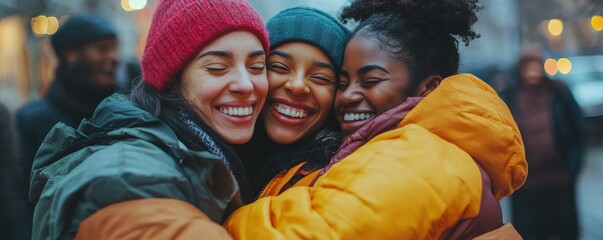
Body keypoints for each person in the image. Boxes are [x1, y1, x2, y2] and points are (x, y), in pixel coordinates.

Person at [225, 0, 527, 239]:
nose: (347, 96)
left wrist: (205, 217)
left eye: (370, 81)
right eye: (343, 83)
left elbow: (316, 233)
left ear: (429, 88)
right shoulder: (391, 146)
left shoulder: (423, 155)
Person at [28, 0, 269, 239]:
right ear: (172, 81)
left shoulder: (227, 152)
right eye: (217, 67)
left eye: (257, 66)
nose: (246, 84)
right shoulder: (129, 176)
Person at [246, 7, 350, 199]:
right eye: (278, 66)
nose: (297, 86)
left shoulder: (335, 179)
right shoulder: (215, 144)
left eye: (320, 77)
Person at [501, 44, 585, 240]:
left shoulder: (559, 93)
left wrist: (573, 167)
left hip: (559, 180)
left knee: (565, 231)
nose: (532, 70)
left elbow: (577, 131)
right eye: (527, 65)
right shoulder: (510, 96)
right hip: (526, 185)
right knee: (531, 232)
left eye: (535, 64)